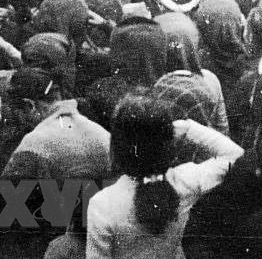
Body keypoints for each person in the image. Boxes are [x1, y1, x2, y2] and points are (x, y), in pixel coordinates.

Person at [86, 94, 243, 258]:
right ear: (168, 143)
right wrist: (188, 127)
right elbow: (236, 155)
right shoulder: (187, 182)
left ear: (118, 147)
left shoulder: (103, 205)